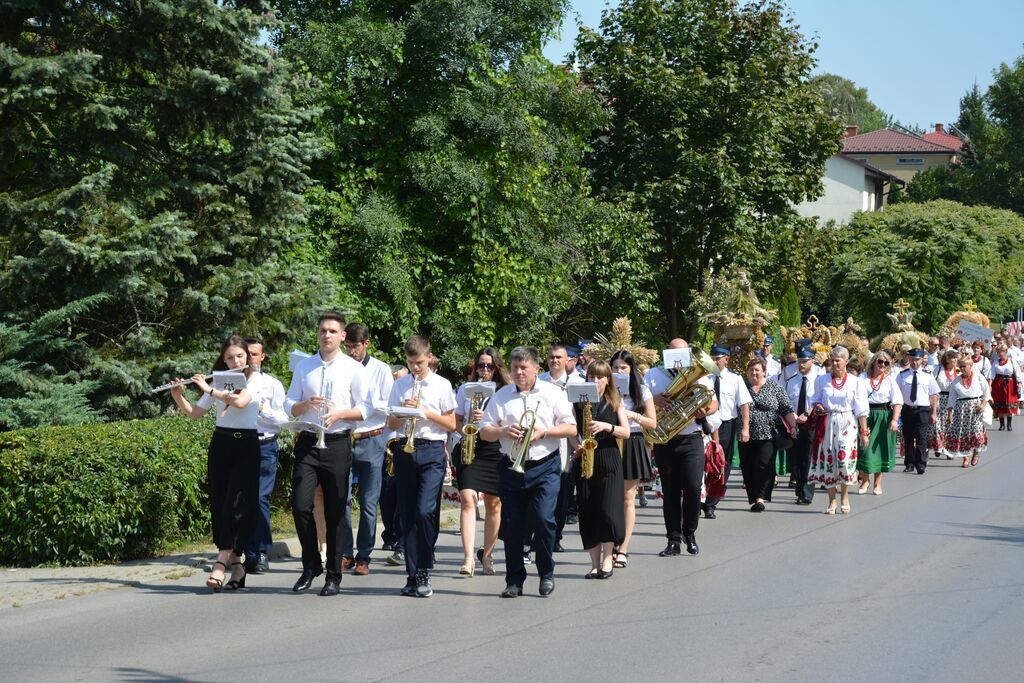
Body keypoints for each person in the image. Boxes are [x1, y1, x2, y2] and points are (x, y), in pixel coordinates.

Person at [480, 346, 577, 598]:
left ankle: (546, 573)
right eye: (515, 368)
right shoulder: (501, 395)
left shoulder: (552, 393)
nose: (519, 372)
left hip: (545, 464)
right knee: (512, 525)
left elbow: (570, 428)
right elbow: (484, 431)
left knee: (544, 519)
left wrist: (543, 432)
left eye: (524, 368)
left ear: (536, 368)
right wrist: (503, 431)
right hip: (512, 466)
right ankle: (514, 580)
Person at [285, 312, 369, 596]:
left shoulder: (353, 368)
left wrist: (340, 413)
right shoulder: (305, 366)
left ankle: (334, 575)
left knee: (335, 511)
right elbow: (288, 403)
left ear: (343, 336)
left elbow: (365, 409)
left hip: (337, 442)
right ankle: (310, 566)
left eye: (333, 331)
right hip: (308, 441)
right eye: (323, 330)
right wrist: (303, 404)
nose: (327, 335)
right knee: (299, 504)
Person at [170, 336, 260, 592]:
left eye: (240, 356)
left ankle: (220, 562)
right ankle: (238, 567)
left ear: (248, 356)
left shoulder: (256, 379)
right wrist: (178, 396)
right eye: (230, 357)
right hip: (221, 444)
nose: (236, 361)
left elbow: (240, 402)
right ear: (223, 358)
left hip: (247, 446)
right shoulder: (219, 379)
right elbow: (195, 414)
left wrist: (208, 388)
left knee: (237, 503)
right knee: (221, 503)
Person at [386, 336, 456, 598]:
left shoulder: (441, 385)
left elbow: (451, 424)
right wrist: (402, 412)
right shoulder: (401, 385)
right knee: (408, 515)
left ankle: (425, 567)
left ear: (429, 357)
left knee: (425, 511)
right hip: (405, 448)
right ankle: (413, 574)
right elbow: (391, 425)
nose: (415, 368)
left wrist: (425, 411)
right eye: (410, 362)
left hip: (432, 451)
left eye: (419, 362)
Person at [645, 339, 718, 556]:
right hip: (665, 440)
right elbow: (640, 402)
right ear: (666, 353)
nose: (678, 356)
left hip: (692, 439)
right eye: (674, 352)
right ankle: (673, 539)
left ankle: (690, 533)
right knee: (671, 493)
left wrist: (706, 411)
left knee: (694, 489)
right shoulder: (652, 374)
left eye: (683, 352)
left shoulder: (702, 375)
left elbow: (713, 402)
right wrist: (654, 400)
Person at [339, 323, 394, 576]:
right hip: (344, 439)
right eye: (347, 347)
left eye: (355, 347)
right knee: (342, 500)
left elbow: (389, 405)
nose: (351, 352)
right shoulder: (340, 367)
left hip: (372, 438)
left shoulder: (381, 369)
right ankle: (346, 553)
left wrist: (365, 405)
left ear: (366, 344)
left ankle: (364, 556)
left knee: (369, 503)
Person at [569, 360, 630, 578]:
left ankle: (607, 560)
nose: (595, 381)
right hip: (585, 459)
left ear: (608, 379)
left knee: (607, 511)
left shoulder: (615, 401)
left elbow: (626, 432)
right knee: (588, 511)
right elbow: (569, 429)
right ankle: (594, 563)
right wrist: (577, 447)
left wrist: (607, 426)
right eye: (591, 377)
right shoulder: (578, 401)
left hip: (608, 458)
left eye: (600, 377)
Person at [453, 347, 510, 577]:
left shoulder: (505, 391)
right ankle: (468, 558)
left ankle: (487, 555)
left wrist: (486, 420)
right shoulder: (466, 389)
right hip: (470, 446)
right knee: (468, 499)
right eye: (480, 366)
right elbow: (455, 419)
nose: (484, 370)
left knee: (494, 504)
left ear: (496, 368)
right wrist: (467, 425)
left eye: (489, 366)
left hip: (494, 448)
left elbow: (509, 421)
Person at [241, 336, 288, 576]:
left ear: (263, 357)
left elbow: (283, 420)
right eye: (246, 354)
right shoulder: (233, 382)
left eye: (255, 354)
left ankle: (260, 552)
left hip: (265, 446)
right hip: (239, 445)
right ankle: (245, 552)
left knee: (259, 499)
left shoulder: (272, 384)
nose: (251, 359)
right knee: (241, 499)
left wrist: (261, 408)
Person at [808, 345, 869, 515]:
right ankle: (831, 500)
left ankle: (844, 496)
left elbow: (861, 408)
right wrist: (819, 406)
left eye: (838, 361)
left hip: (847, 421)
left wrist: (864, 433)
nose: (834, 364)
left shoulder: (855, 382)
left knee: (843, 458)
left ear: (846, 362)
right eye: (832, 360)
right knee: (829, 460)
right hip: (828, 421)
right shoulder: (822, 380)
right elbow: (816, 400)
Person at [609, 349, 656, 568]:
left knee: (628, 498)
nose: (619, 371)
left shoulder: (642, 389)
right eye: (615, 367)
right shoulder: (605, 389)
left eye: (623, 368)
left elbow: (652, 423)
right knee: (610, 497)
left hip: (633, 440)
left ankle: (623, 548)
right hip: (610, 440)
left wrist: (633, 415)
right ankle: (611, 543)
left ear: (631, 369)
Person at [539, 344, 584, 552]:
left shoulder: (578, 382)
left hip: (568, 438)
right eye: (551, 357)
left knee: (563, 487)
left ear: (568, 360)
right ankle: (540, 534)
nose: (554, 360)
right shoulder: (539, 380)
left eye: (559, 357)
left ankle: (556, 535)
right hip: (544, 436)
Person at [738, 356, 796, 512]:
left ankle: (760, 498)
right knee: (748, 466)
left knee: (764, 465)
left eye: (757, 370)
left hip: (769, 434)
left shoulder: (774, 387)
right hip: (745, 433)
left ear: (764, 371)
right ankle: (753, 496)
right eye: (751, 370)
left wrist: (793, 425)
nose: (754, 373)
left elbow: (786, 408)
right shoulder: (741, 386)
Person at [702, 345, 751, 519]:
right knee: (703, 461)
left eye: (718, 358)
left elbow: (744, 404)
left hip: (726, 425)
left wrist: (745, 428)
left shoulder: (735, 379)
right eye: (712, 358)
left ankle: (711, 502)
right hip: (704, 424)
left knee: (722, 463)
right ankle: (701, 495)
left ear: (727, 359)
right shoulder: (703, 378)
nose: (714, 361)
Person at [857, 350, 903, 496]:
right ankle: (865, 480)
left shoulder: (889, 379)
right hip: (866, 415)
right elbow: (857, 398)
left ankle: (877, 483)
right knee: (864, 449)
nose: (882, 365)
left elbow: (897, 401)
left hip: (883, 416)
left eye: (886, 363)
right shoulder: (863, 378)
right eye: (880, 361)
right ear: (874, 362)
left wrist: (895, 420)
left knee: (880, 450)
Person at [785, 348, 822, 505]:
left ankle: (806, 493)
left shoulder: (819, 380)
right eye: (799, 361)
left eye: (804, 361)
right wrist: (792, 415)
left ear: (812, 361)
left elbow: (819, 400)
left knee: (808, 458)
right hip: (794, 424)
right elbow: (785, 402)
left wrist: (808, 413)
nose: (801, 364)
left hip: (812, 424)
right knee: (795, 459)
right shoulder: (791, 381)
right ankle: (800, 487)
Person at [896, 348, 939, 475]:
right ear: (909, 359)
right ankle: (909, 463)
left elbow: (933, 395)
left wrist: (933, 412)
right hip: (907, 409)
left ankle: (921, 464)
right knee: (908, 437)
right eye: (912, 359)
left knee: (921, 436)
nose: (914, 362)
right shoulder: (902, 375)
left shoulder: (928, 376)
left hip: (922, 410)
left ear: (922, 360)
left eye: (917, 359)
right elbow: (896, 393)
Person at [948, 356, 992, 467]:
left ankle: (976, 453)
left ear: (970, 366)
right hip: (961, 409)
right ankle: (965, 458)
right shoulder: (956, 380)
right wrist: (950, 413)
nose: (962, 368)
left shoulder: (979, 377)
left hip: (975, 408)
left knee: (976, 432)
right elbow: (952, 398)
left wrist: (982, 405)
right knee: (962, 433)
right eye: (960, 366)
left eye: (964, 366)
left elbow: (987, 393)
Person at [929, 350, 959, 460]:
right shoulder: (938, 370)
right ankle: (938, 446)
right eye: (953, 358)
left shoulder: (958, 370)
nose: (955, 360)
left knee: (949, 426)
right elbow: (931, 384)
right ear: (947, 360)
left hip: (952, 400)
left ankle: (947, 449)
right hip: (939, 398)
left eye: (956, 358)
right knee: (937, 425)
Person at [988, 344, 1021, 431]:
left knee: (1009, 403)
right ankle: (1002, 424)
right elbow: (991, 374)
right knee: (999, 402)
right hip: (998, 384)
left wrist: (1019, 383)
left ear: (1006, 352)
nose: (999, 354)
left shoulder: (1012, 361)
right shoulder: (996, 362)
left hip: (1010, 384)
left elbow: (1017, 373)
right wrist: (990, 385)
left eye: (1001, 352)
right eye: (998, 352)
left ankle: (1009, 425)